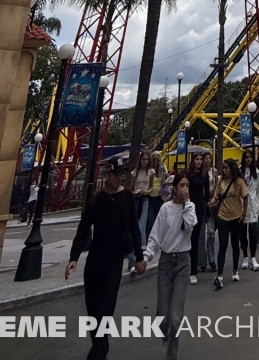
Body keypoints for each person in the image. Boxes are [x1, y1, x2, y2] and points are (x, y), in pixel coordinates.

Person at [65, 158, 144, 360]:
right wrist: (73, 257)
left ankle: (99, 352)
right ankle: (100, 346)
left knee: (106, 308)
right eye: (117, 174)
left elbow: (134, 227)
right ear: (107, 175)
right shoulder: (96, 201)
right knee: (93, 310)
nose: (120, 177)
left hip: (114, 260)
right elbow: (83, 229)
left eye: (122, 174)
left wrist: (139, 256)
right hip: (94, 261)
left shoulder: (126, 198)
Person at [142, 169, 196, 360]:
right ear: (174, 188)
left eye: (187, 186)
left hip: (183, 262)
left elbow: (190, 224)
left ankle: (172, 351)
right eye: (182, 185)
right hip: (166, 262)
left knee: (175, 315)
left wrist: (187, 203)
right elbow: (155, 235)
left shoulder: (190, 207)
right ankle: (165, 334)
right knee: (163, 315)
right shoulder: (165, 209)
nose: (185, 189)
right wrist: (147, 257)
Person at [209, 158, 247, 289]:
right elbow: (217, 195)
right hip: (223, 216)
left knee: (235, 243)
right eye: (223, 168)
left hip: (236, 216)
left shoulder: (239, 182)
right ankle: (219, 274)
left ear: (232, 169)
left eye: (226, 168)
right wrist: (212, 202)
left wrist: (244, 213)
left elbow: (245, 197)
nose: (224, 170)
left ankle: (235, 270)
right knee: (223, 245)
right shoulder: (221, 181)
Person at [240, 147, 259, 271]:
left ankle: (253, 257)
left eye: (250, 157)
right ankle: (245, 256)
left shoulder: (257, 173)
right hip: (242, 205)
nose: (248, 159)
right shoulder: (239, 172)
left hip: (253, 204)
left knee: (253, 232)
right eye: (246, 157)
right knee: (243, 233)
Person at [187, 151, 209, 284]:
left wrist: (208, 206)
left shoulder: (204, 174)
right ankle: (187, 266)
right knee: (187, 237)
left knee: (195, 238)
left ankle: (193, 270)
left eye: (201, 159)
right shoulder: (188, 175)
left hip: (199, 207)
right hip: (189, 206)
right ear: (193, 160)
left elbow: (206, 192)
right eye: (197, 159)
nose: (199, 161)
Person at [131, 149, 155, 253]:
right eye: (143, 160)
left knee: (142, 222)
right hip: (136, 197)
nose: (145, 162)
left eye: (147, 160)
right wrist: (136, 192)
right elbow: (130, 188)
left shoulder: (151, 171)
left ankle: (139, 244)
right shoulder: (135, 173)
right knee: (135, 222)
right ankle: (135, 244)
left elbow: (151, 187)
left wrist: (147, 191)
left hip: (145, 197)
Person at [198, 152, 217, 272]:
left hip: (211, 202)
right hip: (201, 202)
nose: (207, 160)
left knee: (211, 232)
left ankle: (212, 259)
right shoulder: (200, 173)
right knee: (201, 234)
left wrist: (214, 199)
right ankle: (202, 260)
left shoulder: (214, 171)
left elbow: (216, 186)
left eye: (209, 158)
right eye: (205, 158)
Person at [146, 150, 165, 237]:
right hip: (150, 196)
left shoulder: (162, 169)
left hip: (159, 197)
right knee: (150, 220)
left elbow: (165, 180)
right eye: (154, 160)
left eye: (158, 160)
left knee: (158, 219)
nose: (156, 162)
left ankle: (157, 237)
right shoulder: (149, 169)